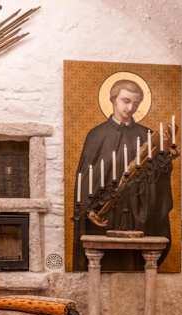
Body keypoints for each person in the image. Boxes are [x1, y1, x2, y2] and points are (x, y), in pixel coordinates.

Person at [73, 79, 173, 271]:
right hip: (106, 214)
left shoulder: (148, 136)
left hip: (138, 212)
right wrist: (90, 209)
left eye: (136, 103)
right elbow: (86, 179)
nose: (130, 107)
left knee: (135, 264)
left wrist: (164, 153)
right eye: (126, 101)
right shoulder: (96, 135)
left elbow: (158, 177)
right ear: (113, 99)